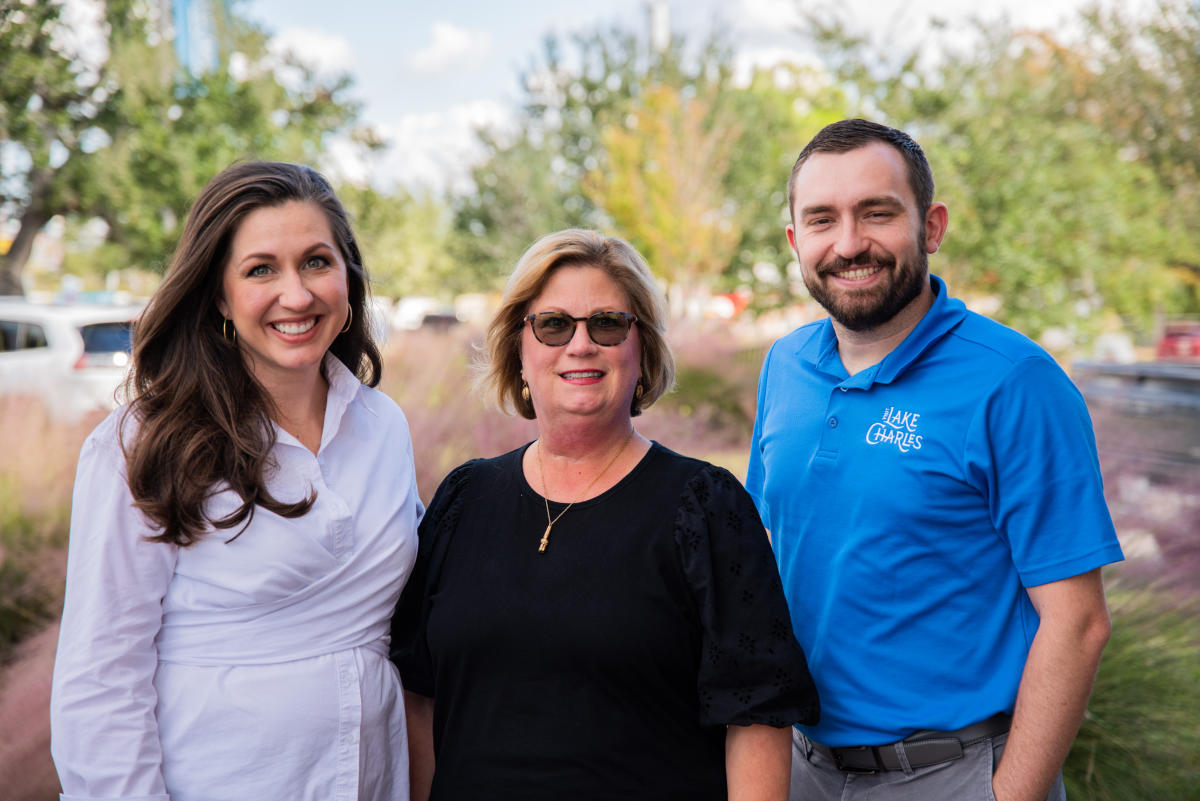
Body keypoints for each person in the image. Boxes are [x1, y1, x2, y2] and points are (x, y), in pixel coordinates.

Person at [746, 118, 1124, 801]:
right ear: (796, 241)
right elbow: (771, 548)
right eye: (823, 219)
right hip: (800, 766)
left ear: (933, 225)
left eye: (878, 213)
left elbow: (1078, 621)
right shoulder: (785, 365)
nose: (850, 243)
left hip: (952, 773)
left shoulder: (1014, 382)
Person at [391, 229, 819, 801]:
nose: (580, 344)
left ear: (641, 350)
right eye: (553, 325)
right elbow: (418, 696)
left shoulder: (706, 507)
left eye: (607, 324)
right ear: (518, 349)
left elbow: (758, 717)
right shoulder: (464, 499)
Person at [50, 161, 423, 801]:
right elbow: (101, 678)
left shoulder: (382, 425)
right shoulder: (144, 444)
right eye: (260, 270)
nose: (297, 295)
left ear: (348, 278)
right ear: (219, 296)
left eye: (315, 262)